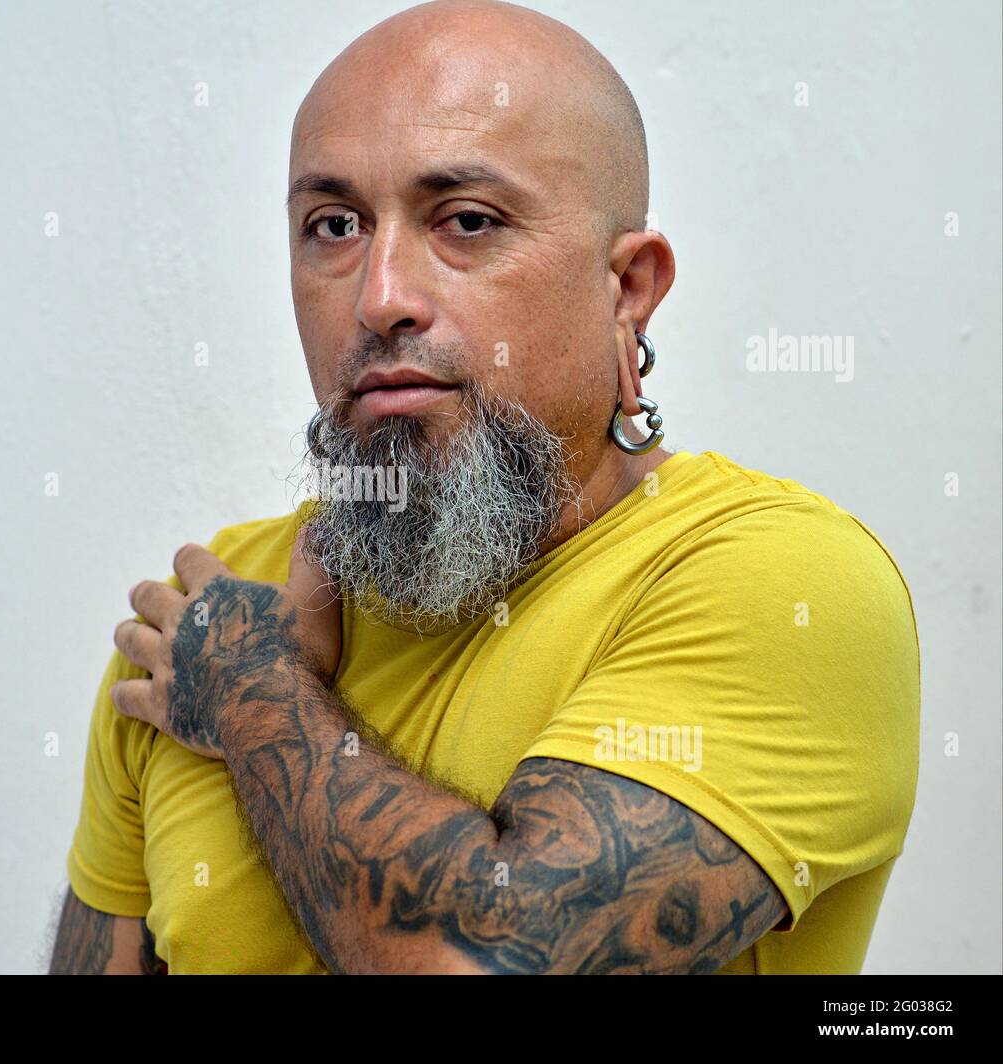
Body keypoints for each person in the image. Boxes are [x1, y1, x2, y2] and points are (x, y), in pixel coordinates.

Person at [50, 0, 919, 975]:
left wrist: (258, 701)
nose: (379, 296)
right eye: (332, 225)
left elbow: (489, 958)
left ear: (626, 288)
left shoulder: (781, 582)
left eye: (466, 220)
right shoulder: (201, 605)